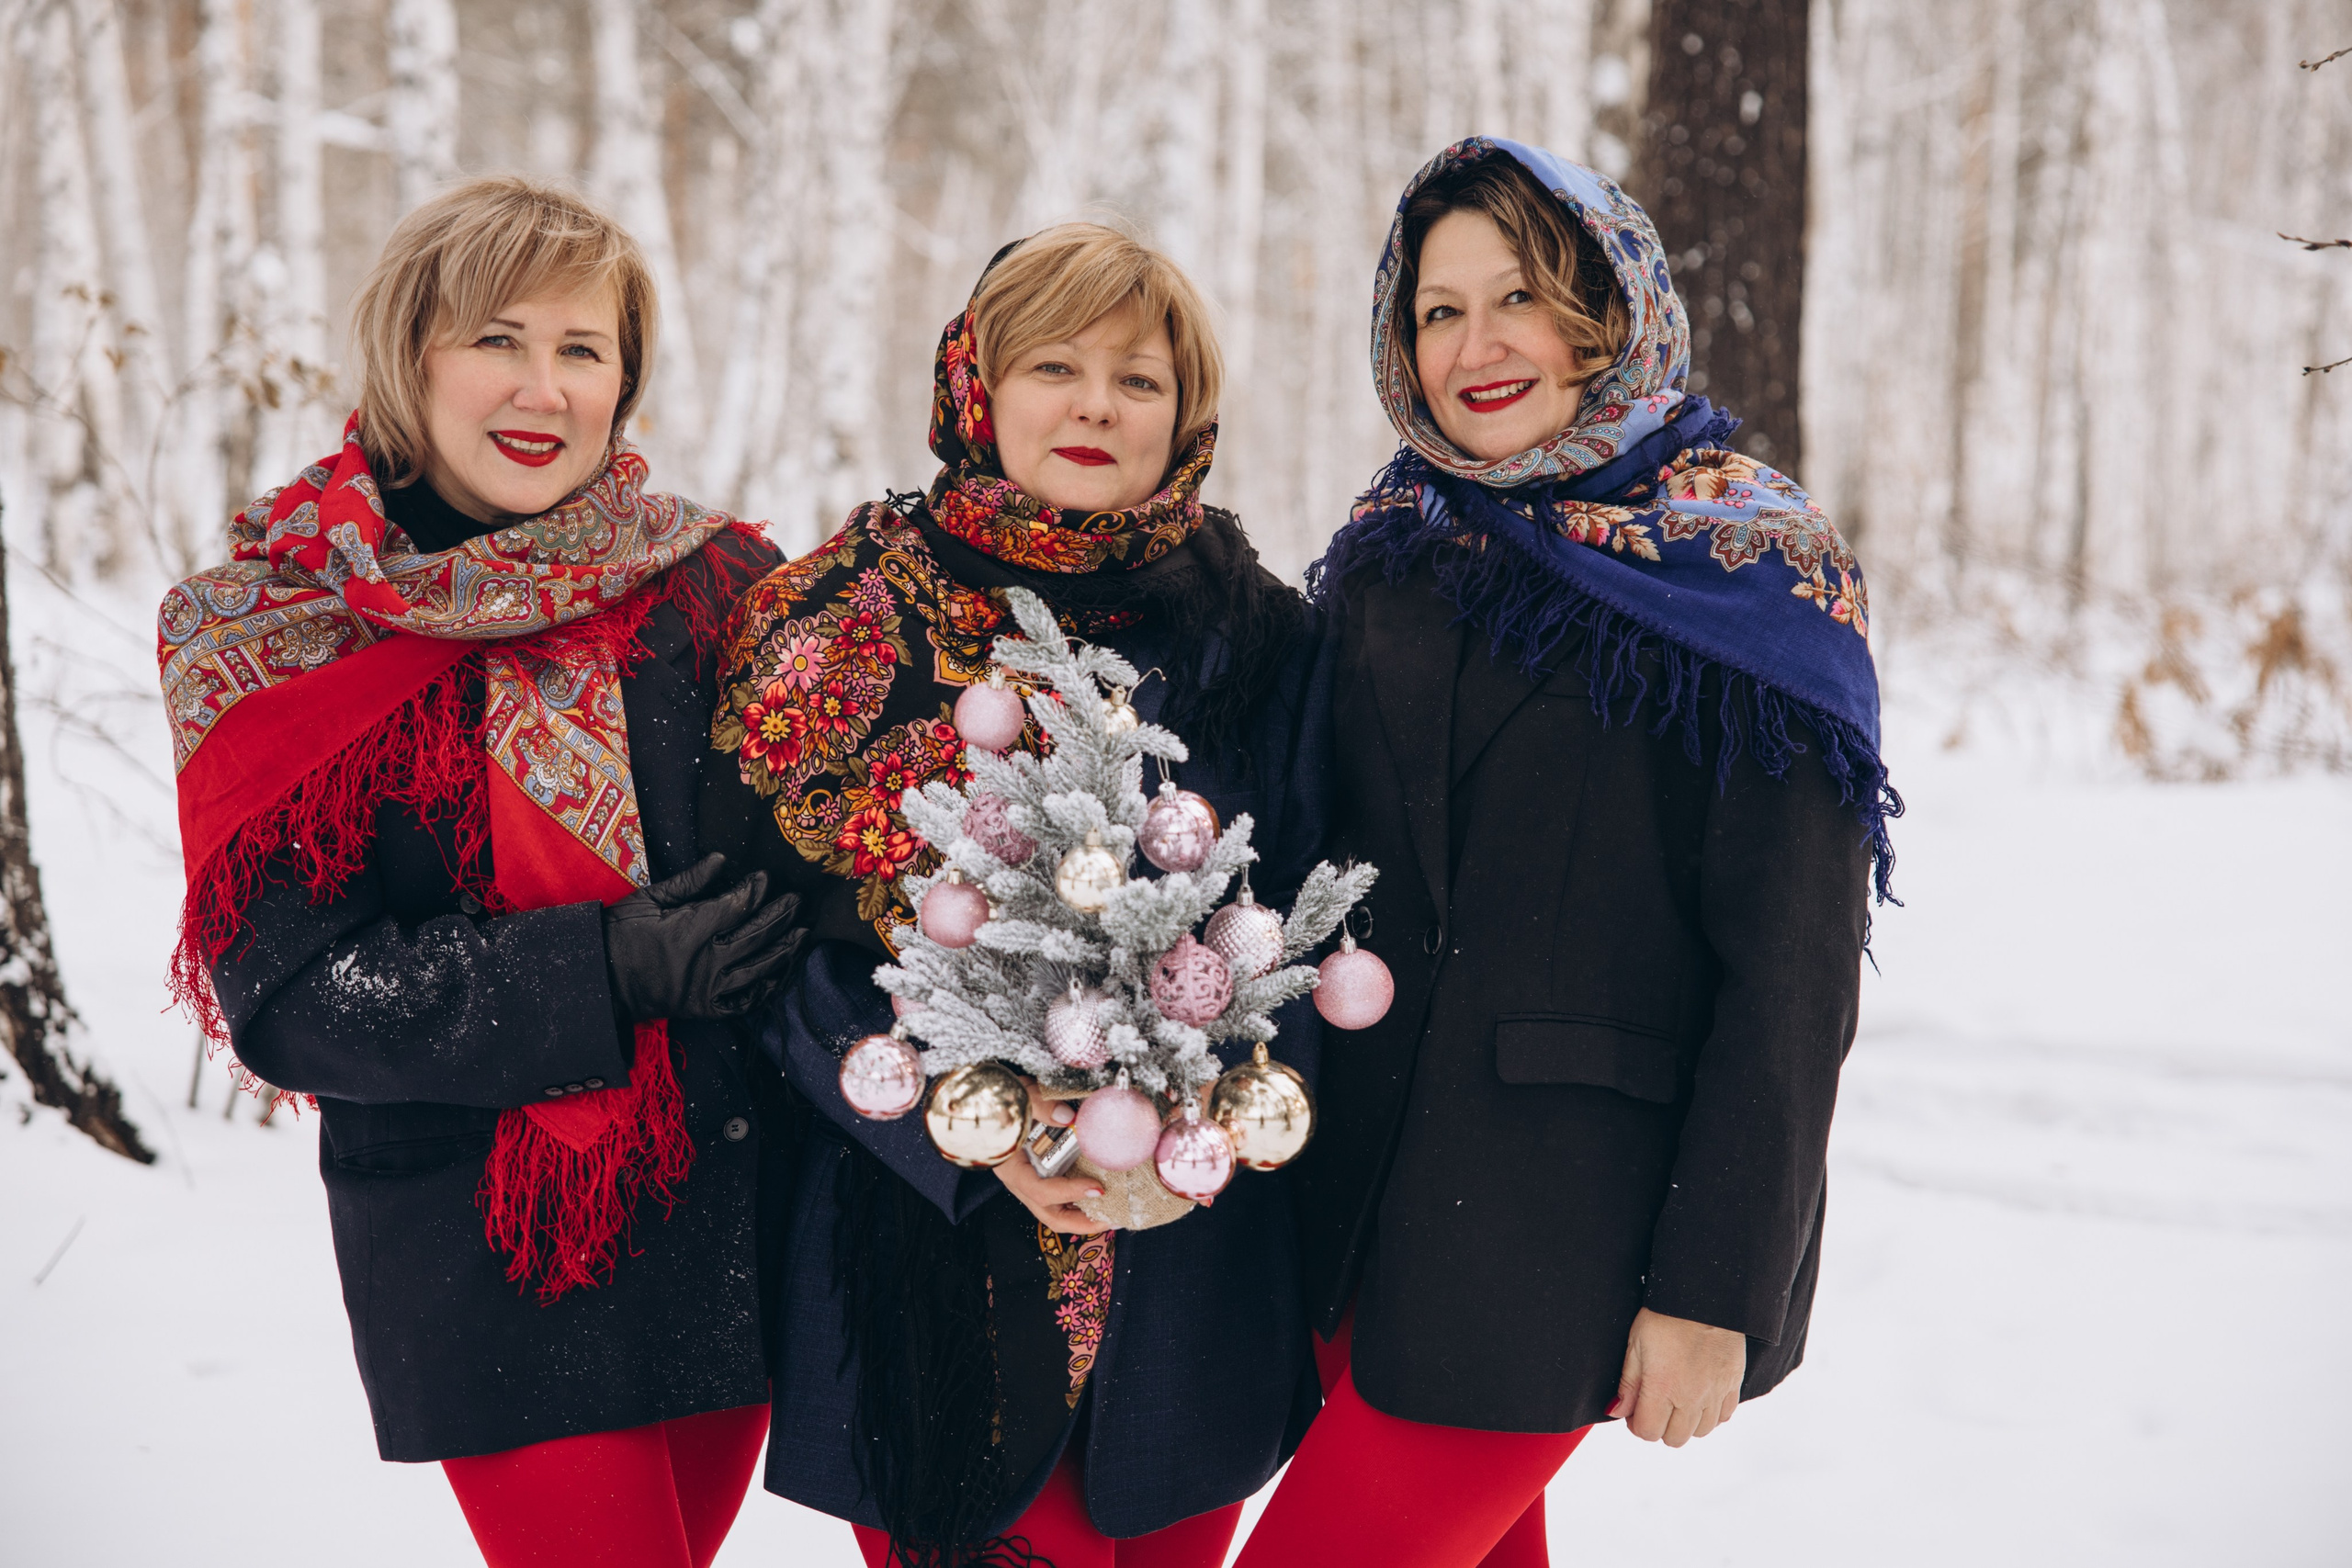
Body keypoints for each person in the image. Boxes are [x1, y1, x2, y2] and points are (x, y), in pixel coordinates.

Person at [1238, 138, 1898, 1567]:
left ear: (1610, 310)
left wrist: (1713, 1288)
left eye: (1521, 296)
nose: (1478, 347)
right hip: (1353, 1213)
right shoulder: (1392, 546)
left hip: (1563, 1239)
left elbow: (1788, 980)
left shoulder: (1752, 571)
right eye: (1439, 310)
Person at [159, 175, 805, 1568]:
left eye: (584, 348)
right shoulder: (270, 629)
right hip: (482, 1248)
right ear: (413, 356)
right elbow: (291, 996)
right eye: (498, 338)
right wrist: (605, 965)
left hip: (723, 1226)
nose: (544, 385)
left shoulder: (717, 581)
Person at [705, 222, 1330, 1567]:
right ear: (976, 388)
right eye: (1054, 364)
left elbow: (1314, 911)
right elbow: (765, 955)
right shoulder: (841, 617)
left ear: (1190, 413)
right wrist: (967, 1125)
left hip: (1190, 1280)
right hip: (924, 1253)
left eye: (1140, 378)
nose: (1097, 403)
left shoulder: (1259, 634)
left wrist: (1202, 1113)